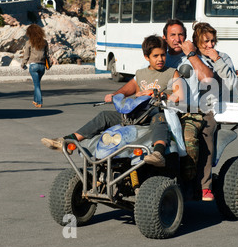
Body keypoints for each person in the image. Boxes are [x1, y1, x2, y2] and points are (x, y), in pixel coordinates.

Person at [41, 35, 184, 167]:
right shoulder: (141, 74)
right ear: (147, 57)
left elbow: (180, 96)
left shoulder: (171, 72)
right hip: (136, 114)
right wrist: (115, 95)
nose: (160, 59)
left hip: (156, 112)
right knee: (104, 115)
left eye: (163, 55)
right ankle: (67, 141)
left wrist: (157, 94)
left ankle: (158, 153)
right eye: (156, 56)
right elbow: (128, 89)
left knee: (160, 118)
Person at [162, 19, 237, 201]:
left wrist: (216, 59)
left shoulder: (218, 58)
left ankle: (204, 185)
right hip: (177, 108)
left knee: (204, 136)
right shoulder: (182, 57)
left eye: (212, 41)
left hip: (209, 109)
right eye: (206, 41)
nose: (210, 45)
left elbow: (230, 83)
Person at [21, 24, 54, 108]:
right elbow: (47, 54)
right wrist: (49, 65)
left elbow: (26, 55)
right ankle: (35, 101)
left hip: (33, 66)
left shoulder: (29, 42)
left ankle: (39, 102)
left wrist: (23, 64)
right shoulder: (44, 42)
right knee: (37, 84)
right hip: (42, 66)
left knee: (36, 85)